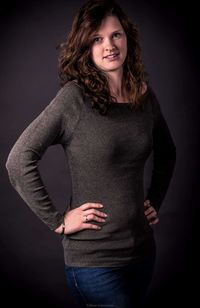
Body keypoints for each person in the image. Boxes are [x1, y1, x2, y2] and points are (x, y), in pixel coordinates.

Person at [5, 0, 176, 307]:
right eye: (97, 39)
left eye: (116, 35)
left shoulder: (143, 96)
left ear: (128, 39)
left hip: (142, 254)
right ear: (85, 47)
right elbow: (19, 160)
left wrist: (155, 199)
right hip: (94, 262)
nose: (109, 45)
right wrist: (57, 221)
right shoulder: (74, 98)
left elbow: (168, 151)